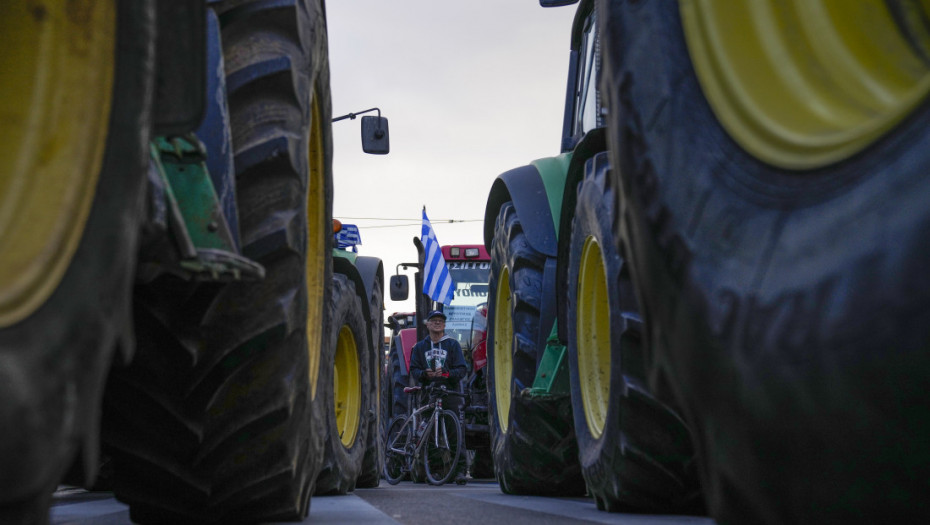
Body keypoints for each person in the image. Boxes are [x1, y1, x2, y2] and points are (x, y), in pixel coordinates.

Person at [408, 309, 468, 483]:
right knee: (429, 433)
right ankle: (433, 471)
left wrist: (447, 374)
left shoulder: (453, 345)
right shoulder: (420, 347)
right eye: (433, 320)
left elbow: (462, 369)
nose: (437, 322)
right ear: (427, 324)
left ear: (444, 325)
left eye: (440, 320)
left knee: (455, 432)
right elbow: (414, 369)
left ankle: (460, 471)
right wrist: (425, 374)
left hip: (449, 393)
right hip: (429, 394)